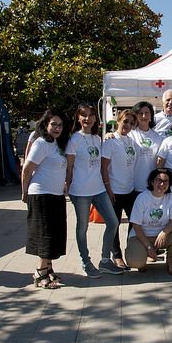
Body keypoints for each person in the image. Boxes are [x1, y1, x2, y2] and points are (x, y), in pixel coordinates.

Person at [65, 103, 124, 278]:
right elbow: (69, 167)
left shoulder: (97, 139)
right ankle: (86, 262)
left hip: (98, 189)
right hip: (80, 191)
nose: (88, 118)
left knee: (113, 223)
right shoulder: (74, 139)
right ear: (78, 118)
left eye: (91, 115)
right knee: (82, 227)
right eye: (84, 115)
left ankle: (105, 260)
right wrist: (67, 188)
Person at [21, 109, 70, 289]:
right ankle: (40, 272)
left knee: (55, 233)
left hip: (56, 195)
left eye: (60, 125)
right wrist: (24, 192)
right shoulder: (41, 143)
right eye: (53, 124)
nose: (57, 128)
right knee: (45, 234)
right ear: (45, 125)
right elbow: (27, 170)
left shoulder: (56, 144)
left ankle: (48, 268)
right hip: (41, 194)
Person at [125, 168, 172, 275]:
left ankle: (171, 260)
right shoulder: (142, 198)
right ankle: (143, 255)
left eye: (165, 181)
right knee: (135, 262)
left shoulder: (171, 197)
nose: (162, 184)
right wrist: (149, 247)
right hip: (142, 236)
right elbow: (136, 226)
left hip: (162, 237)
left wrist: (164, 233)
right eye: (158, 180)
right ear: (152, 182)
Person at [101, 109, 138, 270]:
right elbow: (103, 167)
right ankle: (116, 255)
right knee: (114, 225)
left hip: (130, 190)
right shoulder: (110, 141)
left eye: (131, 123)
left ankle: (132, 250)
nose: (128, 125)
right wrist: (108, 189)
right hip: (114, 191)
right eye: (125, 121)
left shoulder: (131, 141)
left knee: (135, 222)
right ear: (118, 121)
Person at [129, 101, 163, 196]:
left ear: (151, 115)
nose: (144, 116)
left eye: (147, 113)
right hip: (133, 186)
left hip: (151, 185)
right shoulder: (130, 134)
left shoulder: (157, 137)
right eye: (140, 113)